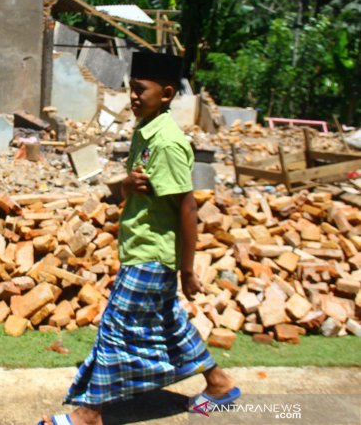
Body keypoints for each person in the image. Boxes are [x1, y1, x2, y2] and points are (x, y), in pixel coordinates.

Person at [40, 51, 240, 425]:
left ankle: (89, 414)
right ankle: (219, 383)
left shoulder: (167, 142)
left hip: (152, 255)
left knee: (115, 328)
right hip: (140, 251)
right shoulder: (143, 132)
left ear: (165, 94)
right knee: (169, 324)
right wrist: (127, 184)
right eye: (130, 89)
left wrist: (187, 269)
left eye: (139, 90)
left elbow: (187, 208)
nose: (132, 97)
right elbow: (138, 191)